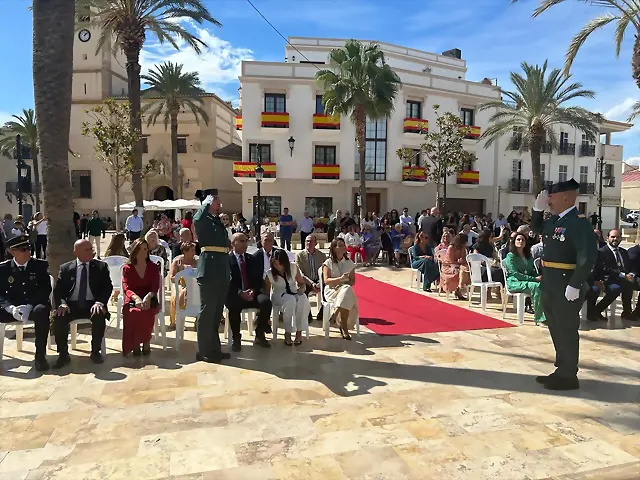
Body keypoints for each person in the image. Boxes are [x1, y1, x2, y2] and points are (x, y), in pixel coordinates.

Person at [531, 179, 597, 391]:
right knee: (555, 327)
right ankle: (561, 368)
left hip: (566, 284)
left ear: (566, 197)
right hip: (550, 283)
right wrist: (537, 211)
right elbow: (537, 228)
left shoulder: (578, 223)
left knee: (567, 329)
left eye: (552, 196)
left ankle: (569, 375)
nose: (549, 199)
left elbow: (587, 257)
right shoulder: (555, 221)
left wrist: (575, 284)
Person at [52, 239, 113, 367]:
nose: (91, 252)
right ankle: (63, 354)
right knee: (59, 317)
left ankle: (95, 352)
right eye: (87, 250)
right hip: (71, 305)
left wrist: (100, 302)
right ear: (76, 252)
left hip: (92, 304)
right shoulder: (66, 268)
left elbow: (107, 287)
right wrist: (62, 304)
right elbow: (59, 291)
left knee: (98, 315)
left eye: (91, 249)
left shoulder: (100, 267)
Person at [0, 235, 52, 371]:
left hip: (33, 307)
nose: (28, 252)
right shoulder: (3, 269)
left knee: (42, 311)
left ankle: (40, 357)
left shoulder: (40, 265)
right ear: (12, 252)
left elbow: (46, 289)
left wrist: (30, 305)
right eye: (23, 249)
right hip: (12, 308)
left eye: (28, 248)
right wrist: (10, 308)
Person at [193, 189, 231, 362]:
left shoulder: (215, 220)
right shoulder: (203, 218)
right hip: (209, 270)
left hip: (221, 269)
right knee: (207, 311)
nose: (219, 201)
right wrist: (205, 204)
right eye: (215, 199)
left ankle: (214, 348)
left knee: (216, 313)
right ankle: (203, 350)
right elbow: (196, 220)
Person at [226, 233, 272, 351]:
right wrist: (240, 292)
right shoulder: (226, 261)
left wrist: (253, 290)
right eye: (241, 241)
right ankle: (237, 338)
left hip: (252, 294)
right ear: (233, 244)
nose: (245, 244)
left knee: (266, 302)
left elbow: (258, 280)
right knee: (234, 305)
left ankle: (259, 334)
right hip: (236, 295)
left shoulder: (251, 259)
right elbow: (226, 282)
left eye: (246, 241)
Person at [121, 239, 161, 357]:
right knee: (133, 312)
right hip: (133, 297)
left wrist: (148, 297)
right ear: (135, 250)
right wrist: (136, 298)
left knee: (147, 311)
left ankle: (146, 341)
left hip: (149, 296)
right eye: (140, 249)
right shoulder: (127, 268)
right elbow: (126, 287)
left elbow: (155, 286)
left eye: (145, 249)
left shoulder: (153, 267)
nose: (144, 251)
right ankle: (135, 344)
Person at [589, 229, 636, 321]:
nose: (615, 239)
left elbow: (630, 265)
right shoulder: (602, 252)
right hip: (608, 279)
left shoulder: (623, 252)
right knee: (616, 288)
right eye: (613, 237)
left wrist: (631, 274)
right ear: (607, 238)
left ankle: (627, 312)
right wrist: (623, 275)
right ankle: (597, 310)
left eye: (617, 237)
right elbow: (605, 268)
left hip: (624, 278)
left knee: (630, 284)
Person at [266, 248, 310, 346]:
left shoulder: (293, 267)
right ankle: (288, 332)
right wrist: (267, 315)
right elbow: (266, 294)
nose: (278, 267)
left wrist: (301, 289)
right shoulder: (269, 274)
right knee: (290, 301)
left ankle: (299, 332)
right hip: (278, 296)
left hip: (293, 292)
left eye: (280, 264)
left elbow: (301, 283)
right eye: (276, 264)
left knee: (303, 299)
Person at [503, 233, 545, 325]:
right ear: (514, 242)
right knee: (536, 286)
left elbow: (532, 270)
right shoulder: (510, 256)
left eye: (523, 240)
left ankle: (547, 314)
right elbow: (515, 274)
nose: (520, 241)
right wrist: (534, 279)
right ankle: (540, 318)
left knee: (544, 285)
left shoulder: (528, 256)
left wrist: (539, 277)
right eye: (518, 239)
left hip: (527, 281)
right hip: (514, 282)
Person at [322, 238, 358, 340]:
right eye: (340, 245)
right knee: (347, 292)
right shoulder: (328, 263)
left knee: (346, 289)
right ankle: (344, 327)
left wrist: (343, 284)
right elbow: (326, 281)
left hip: (343, 290)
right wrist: (339, 280)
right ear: (334, 248)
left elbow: (352, 281)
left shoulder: (349, 263)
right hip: (331, 291)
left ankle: (336, 312)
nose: (343, 247)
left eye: (344, 245)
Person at [295, 234, 326, 323]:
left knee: (328, 291)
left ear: (316, 243)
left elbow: (325, 272)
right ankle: (308, 315)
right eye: (307, 241)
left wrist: (320, 283)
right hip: (305, 281)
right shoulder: (299, 255)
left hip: (319, 280)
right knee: (302, 292)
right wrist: (311, 283)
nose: (308, 243)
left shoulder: (322, 256)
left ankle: (322, 313)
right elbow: (300, 273)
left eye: (311, 241)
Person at [169, 241, 198, 330]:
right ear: (185, 252)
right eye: (192, 250)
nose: (194, 252)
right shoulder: (177, 261)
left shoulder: (197, 261)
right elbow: (172, 278)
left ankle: (198, 319)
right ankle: (178, 319)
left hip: (195, 284)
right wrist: (181, 274)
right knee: (180, 293)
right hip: (180, 284)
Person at [438, 233, 470, 300]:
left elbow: (464, 259)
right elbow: (451, 261)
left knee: (466, 270)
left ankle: (459, 287)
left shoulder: (463, 248)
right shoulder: (451, 248)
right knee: (461, 270)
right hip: (448, 266)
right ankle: (459, 289)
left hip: (458, 265)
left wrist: (462, 260)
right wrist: (458, 262)